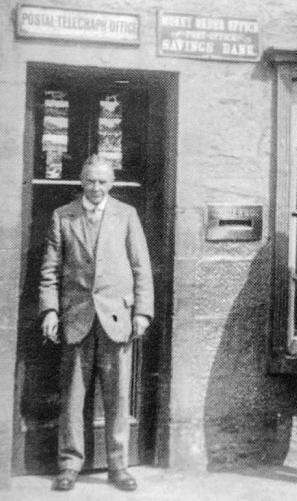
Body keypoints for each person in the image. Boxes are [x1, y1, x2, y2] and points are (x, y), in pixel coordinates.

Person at [39, 155, 153, 492]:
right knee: (73, 395)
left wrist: (142, 313)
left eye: (103, 181)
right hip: (76, 317)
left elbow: (141, 268)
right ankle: (70, 464)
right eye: (90, 181)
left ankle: (118, 465)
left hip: (117, 318)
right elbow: (49, 271)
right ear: (81, 180)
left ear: (112, 182)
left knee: (118, 396)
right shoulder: (63, 217)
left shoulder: (126, 215)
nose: (96, 187)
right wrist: (49, 310)